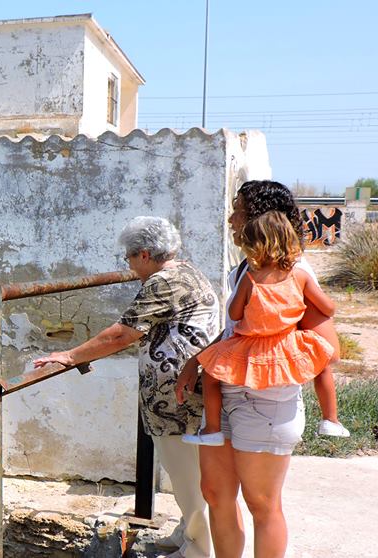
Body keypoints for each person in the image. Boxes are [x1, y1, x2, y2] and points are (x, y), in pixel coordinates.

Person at [174, 180, 346, 558]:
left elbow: (328, 349)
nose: (231, 217)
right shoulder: (247, 270)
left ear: (260, 217)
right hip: (228, 393)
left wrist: (276, 353)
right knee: (216, 495)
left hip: (267, 403)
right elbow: (239, 330)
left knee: (262, 504)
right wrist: (194, 363)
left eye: (238, 208)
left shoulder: (296, 271)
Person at [33, 216, 218, 558]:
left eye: (129, 258)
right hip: (189, 391)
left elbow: (122, 333)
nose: (128, 264)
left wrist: (70, 355)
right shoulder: (189, 271)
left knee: (184, 472)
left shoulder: (162, 282)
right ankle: (186, 532)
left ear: (145, 254)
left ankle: (199, 549)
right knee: (188, 470)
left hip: (174, 396)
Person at [181, 210, 336, 446]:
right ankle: (330, 420)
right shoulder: (300, 276)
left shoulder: (250, 278)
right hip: (286, 344)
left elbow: (233, 314)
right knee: (322, 366)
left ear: (255, 247)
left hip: (251, 343)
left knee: (212, 375)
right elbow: (328, 307)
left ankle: (212, 430)